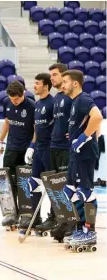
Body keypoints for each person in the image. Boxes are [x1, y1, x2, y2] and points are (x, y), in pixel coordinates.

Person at [61, 70, 102, 249]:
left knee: (86, 192)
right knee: (71, 192)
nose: (62, 85)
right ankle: (80, 228)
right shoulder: (74, 102)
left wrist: (83, 137)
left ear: (75, 83)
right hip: (76, 154)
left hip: (84, 153)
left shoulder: (83, 99)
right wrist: (76, 134)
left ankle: (89, 231)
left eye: (65, 82)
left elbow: (98, 117)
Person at [0, 80, 35, 228]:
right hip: (11, 148)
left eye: (17, 99)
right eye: (12, 99)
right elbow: (7, 122)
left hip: (26, 150)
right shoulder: (7, 102)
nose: (15, 101)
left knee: (24, 183)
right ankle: (12, 213)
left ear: (23, 93)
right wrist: (0, 141)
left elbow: (36, 128)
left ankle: (26, 214)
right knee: (8, 182)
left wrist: (32, 147)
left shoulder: (31, 106)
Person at [46, 63, 73, 239]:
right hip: (54, 146)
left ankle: (70, 223)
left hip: (65, 148)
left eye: (55, 75)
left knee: (66, 187)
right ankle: (60, 221)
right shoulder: (56, 98)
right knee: (55, 188)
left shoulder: (71, 97)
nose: (52, 78)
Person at [24, 73, 54, 231]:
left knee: (52, 186)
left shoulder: (52, 103)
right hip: (38, 148)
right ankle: (36, 218)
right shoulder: (37, 104)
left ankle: (53, 217)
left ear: (46, 86)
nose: (34, 86)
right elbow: (37, 128)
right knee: (33, 183)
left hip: (49, 149)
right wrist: (31, 145)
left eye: (37, 83)